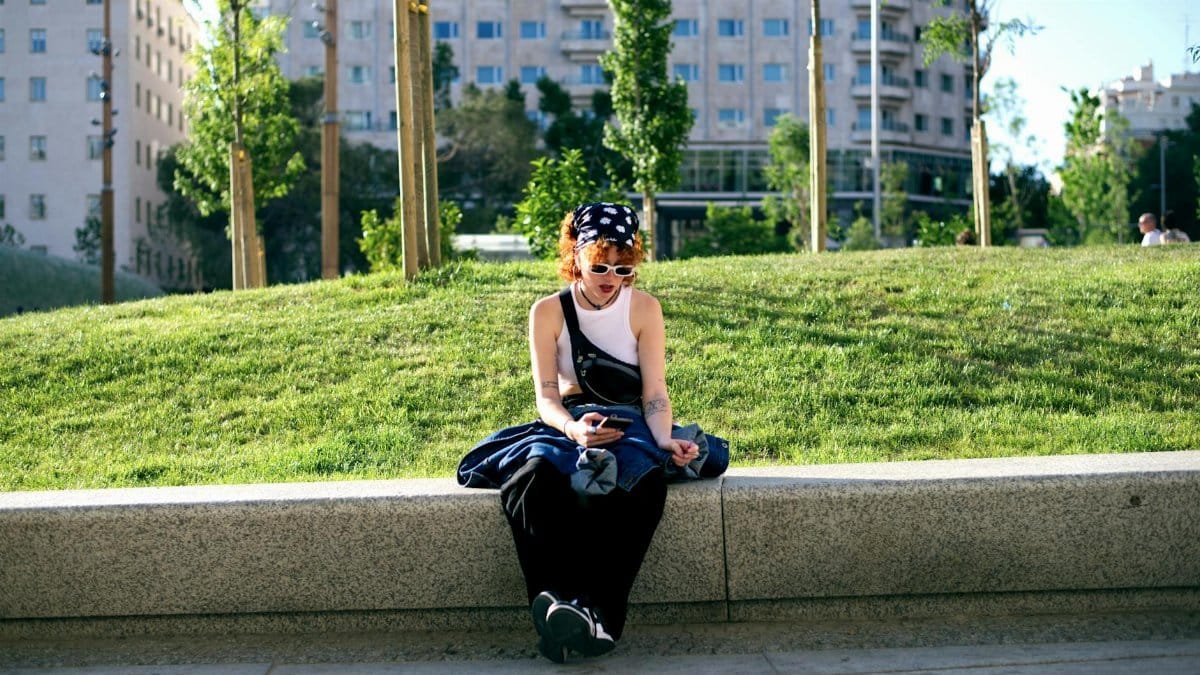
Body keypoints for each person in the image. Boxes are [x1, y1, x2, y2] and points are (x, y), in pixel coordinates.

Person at [457, 202, 727, 663]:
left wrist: (664, 438)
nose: (610, 276)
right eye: (599, 263)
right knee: (532, 478)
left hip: (629, 422)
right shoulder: (547, 312)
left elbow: (655, 393)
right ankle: (560, 607)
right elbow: (546, 399)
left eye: (623, 267)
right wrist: (574, 430)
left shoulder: (644, 309)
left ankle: (598, 620)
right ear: (575, 256)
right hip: (570, 422)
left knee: (641, 486)